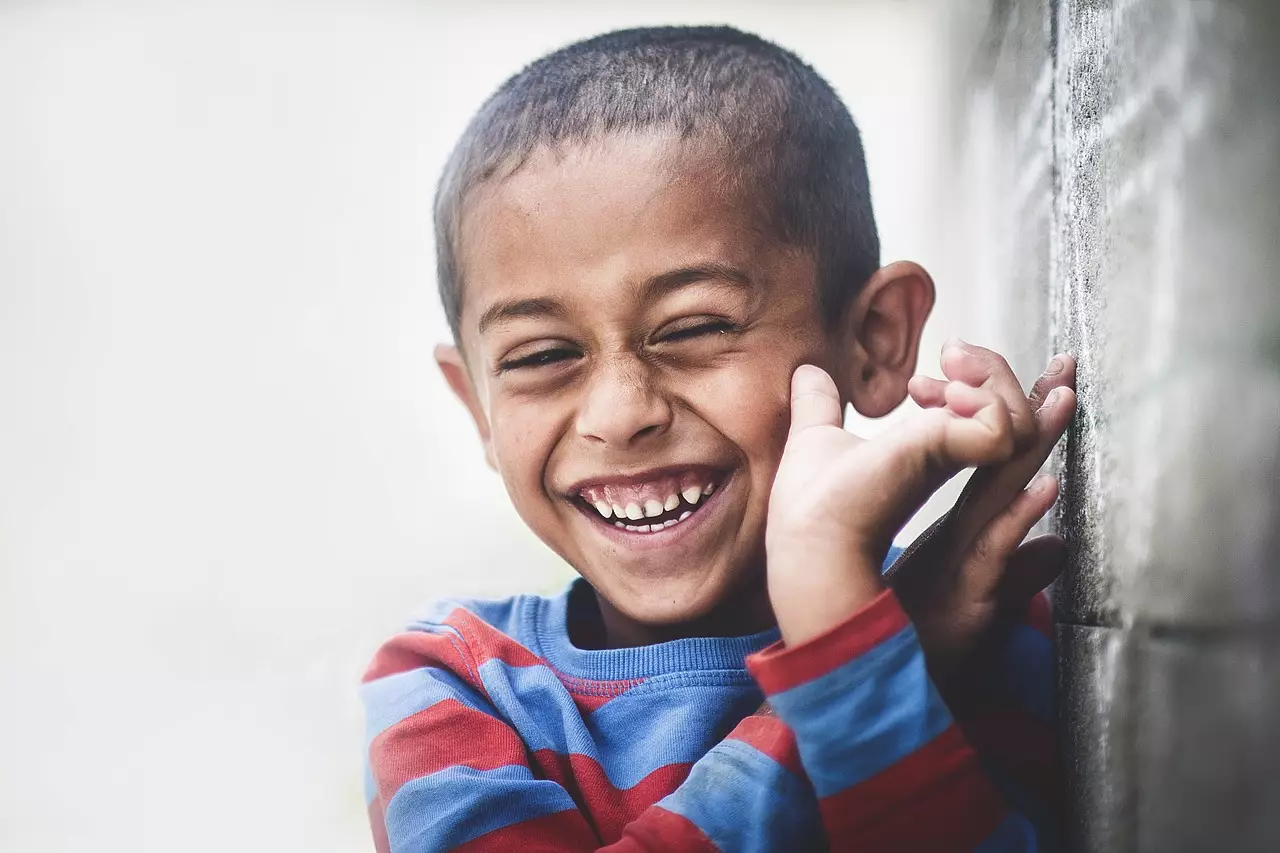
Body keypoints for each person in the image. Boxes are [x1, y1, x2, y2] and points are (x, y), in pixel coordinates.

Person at [362, 25, 1077, 852]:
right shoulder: (453, 688)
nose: (621, 412)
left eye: (693, 327)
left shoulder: (980, 609)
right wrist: (855, 662)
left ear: (875, 340)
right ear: (478, 405)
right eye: (544, 354)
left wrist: (849, 634)